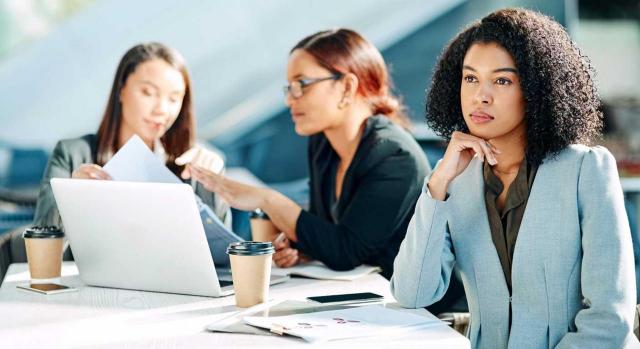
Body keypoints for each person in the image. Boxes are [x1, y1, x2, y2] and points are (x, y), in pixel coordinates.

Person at [391, 8, 638, 348]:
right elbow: (412, 292)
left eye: (502, 80)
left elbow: (610, 321)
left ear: (537, 90)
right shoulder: (457, 180)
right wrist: (438, 186)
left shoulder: (586, 170)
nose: (481, 95)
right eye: (470, 78)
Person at [182, 29, 430, 280]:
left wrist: (268, 200)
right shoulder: (323, 142)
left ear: (346, 87)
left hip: (412, 308)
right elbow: (327, 229)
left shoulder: (395, 157)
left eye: (301, 84)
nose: (290, 99)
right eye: (289, 87)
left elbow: (346, 251)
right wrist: (303, 249)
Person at [33, 42, 229, 231]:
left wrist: (214, 186)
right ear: (121, 90)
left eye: (173, 98)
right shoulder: (72, 155)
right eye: (148, 93)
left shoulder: (191, 164)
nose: (162, 109)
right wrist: (73, 199)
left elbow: (224, 253)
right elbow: (41, 238)